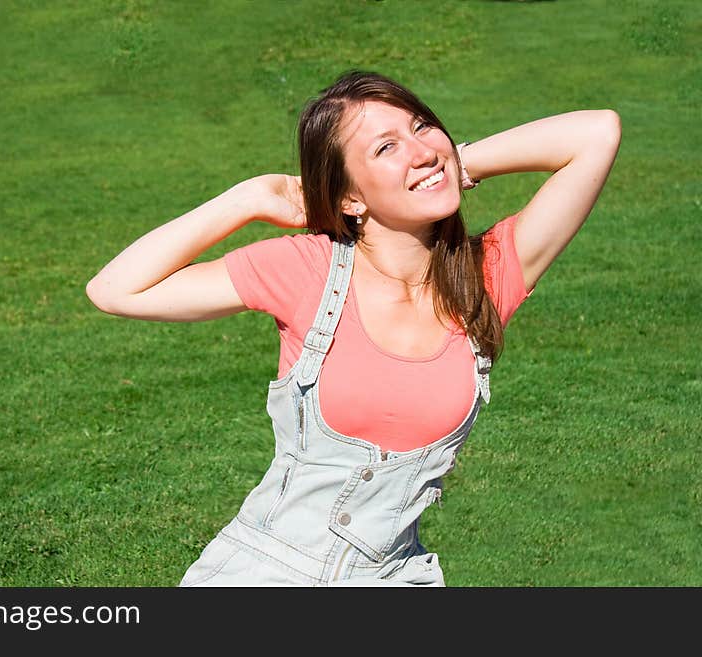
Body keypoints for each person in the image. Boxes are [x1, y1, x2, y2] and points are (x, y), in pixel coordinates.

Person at [86, 70, 621, 586]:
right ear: (350, 199)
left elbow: (596, 132)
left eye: (420, 126)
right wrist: (248, 199)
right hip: (264, 574)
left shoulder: (486, 278)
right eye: (384, 148)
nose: (418, 148)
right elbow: (115, 290)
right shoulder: (306, 271)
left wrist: (446, 164)